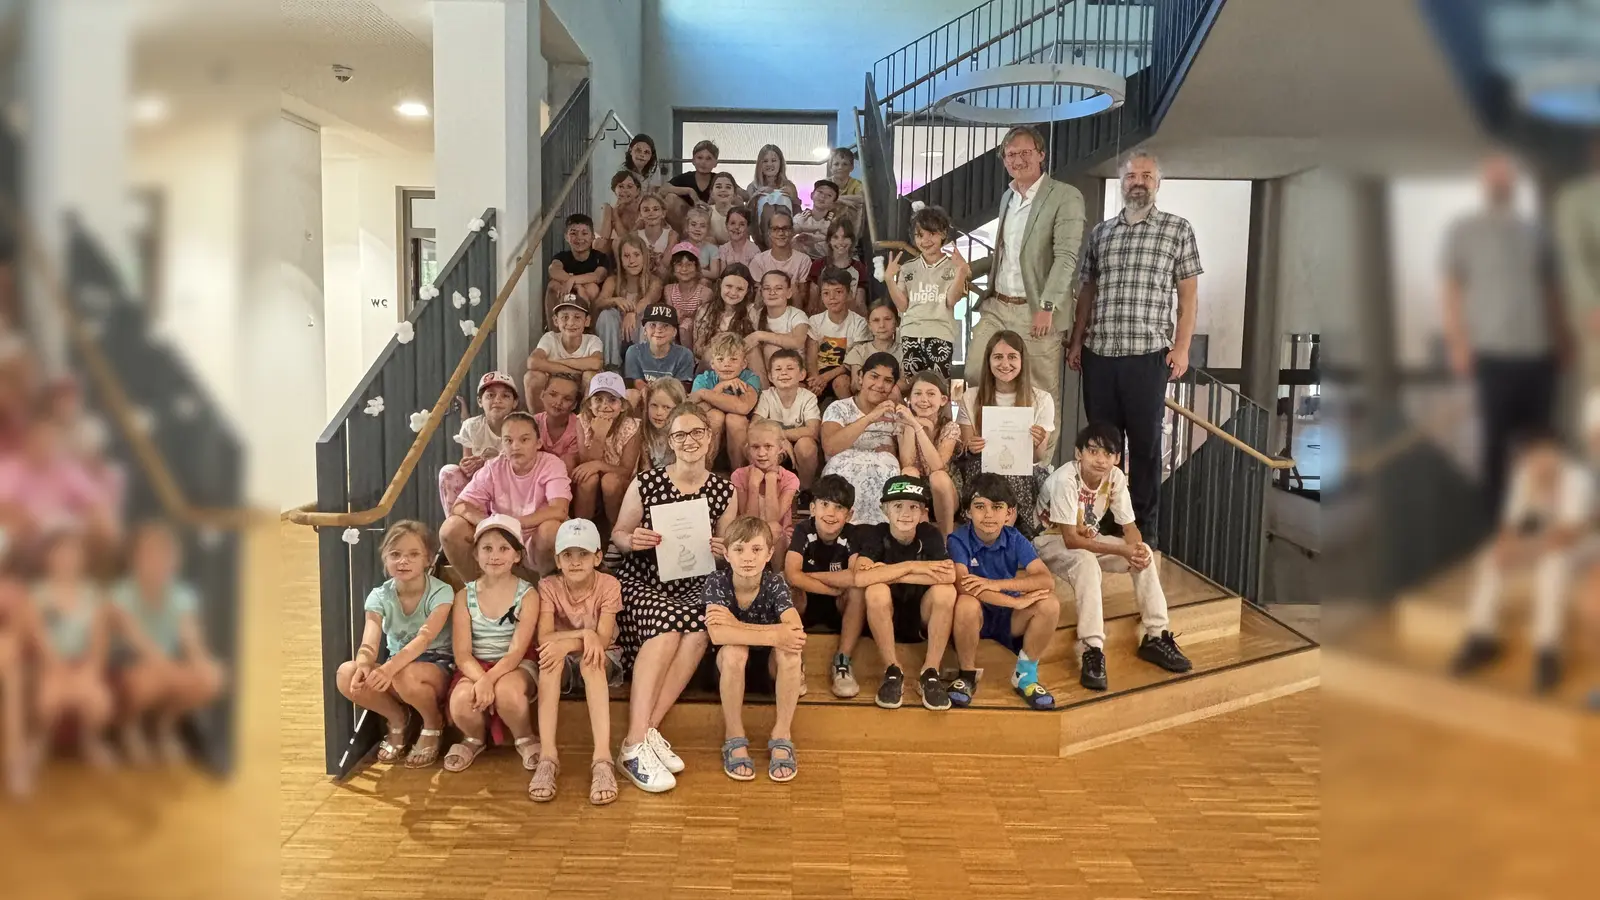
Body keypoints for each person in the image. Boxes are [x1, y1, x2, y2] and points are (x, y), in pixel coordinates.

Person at [1069, 150, 1200, 542]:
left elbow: (1189, 298)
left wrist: (1182, 347)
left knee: (1144, 445)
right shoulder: (1101, 233)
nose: (1138, 182)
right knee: (1102, 447)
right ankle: (1104, 521)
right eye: (1131, 176)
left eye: (1146, 175)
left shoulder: (1178, 229)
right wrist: (1077, 341)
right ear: (1122, 182)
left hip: (1147, 356)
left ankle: (1143, 527)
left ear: (1157, 184)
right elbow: (1087, 292)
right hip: (1100, 356)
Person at [611, 403, 738, 793]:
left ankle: (646, 733)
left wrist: (722, 549)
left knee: (700, 629)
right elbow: (618, 534)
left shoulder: (724, 490)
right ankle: (634, 742)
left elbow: (728, 550)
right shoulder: (646, 482)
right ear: (670, 441)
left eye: (696, 432)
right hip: (644, 580)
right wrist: (633, 541)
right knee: (667, 629)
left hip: (694, 581)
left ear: (709, 438)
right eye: (680, 435)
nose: (689, 441)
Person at [1441, 153, 1568, 517]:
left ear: (1514, 183)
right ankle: (1497, 524)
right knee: (1496, 444)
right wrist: (1458, 343)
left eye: (1505, 178)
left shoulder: (1536, 231)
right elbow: (1451, 289)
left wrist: (1562, 338)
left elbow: (1550, 290)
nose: (1500, 184)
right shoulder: (1463, 230)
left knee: (1542, 442)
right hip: (1492, 354)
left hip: (1538, 352)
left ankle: (1543, 516)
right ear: (1484, 184)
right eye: (1493, 178)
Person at [1033, 423, 1192, 690]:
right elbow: (1071, 540)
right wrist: (1122, 549)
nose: (1100, 459)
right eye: (1093, 451)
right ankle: (1092, 648)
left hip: (1086, 539)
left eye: (1108, 453)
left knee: (1144, 557)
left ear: (1117, 458)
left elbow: (1129, 527)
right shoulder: (1065, 480)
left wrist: (1137, 549)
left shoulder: (1115, 477)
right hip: (1049, 540)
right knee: (1086, 563)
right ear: (1078, 453)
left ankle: (1156, 636)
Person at [1452, 429, 1592, 693]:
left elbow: (1568, 535)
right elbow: (1510, 525)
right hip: (1543, 541)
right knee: (1490, 558)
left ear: (1558, 453)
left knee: (1554, 565)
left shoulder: (1578, 478)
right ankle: (1482, 637)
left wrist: (1525, 551)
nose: (1539, 462)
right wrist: (1505, 547)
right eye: (1532, 456)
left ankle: (1547, 650)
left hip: (1584, 543)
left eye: (1544, 454)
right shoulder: (1524, 476)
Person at [966, 124, 1085, 409]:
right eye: (1010, 154)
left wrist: (1046, 307)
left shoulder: (1065, 196)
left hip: (1036, 310)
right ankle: (988, 448)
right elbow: (1007, 255)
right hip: (997, 305)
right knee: (975, 373)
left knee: (1040, 394)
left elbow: (1066, 257)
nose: (1018, 160)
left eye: (1025, 152)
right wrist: (965, 270)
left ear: (1041, 154)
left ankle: (1039, 455)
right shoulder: (1008, 196)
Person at [333, 521, 454, 768]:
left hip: (436, 666)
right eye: (395, 554)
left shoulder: (442, 592)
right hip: (397, 670)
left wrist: (388, 669)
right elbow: (370, 638)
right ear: (385, 559)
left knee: (402, 673)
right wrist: (365, 664)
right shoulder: (379, 596)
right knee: (347, 673)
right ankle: (398, 719)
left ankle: (433, 723)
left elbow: (424, 638)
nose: (403, 561)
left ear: (428, 559)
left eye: (413, 554)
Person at [110, 521, 226, 766]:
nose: (158, 563)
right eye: (150, 555)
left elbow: (192, 641)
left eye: (165, 555)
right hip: (129, 668)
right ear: (135, 560)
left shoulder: (182, 597)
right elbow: (140, 644)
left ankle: (165, 726)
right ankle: (129, 728)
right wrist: (172, 671)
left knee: (212, 677)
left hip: (165, 667)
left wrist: (201, 665)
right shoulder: (121, 596)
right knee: (148, 681)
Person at [704, 517, 805, 783]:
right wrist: (774, 633)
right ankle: (734, 735)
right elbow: (718, 634)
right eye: (739, 549)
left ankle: (782, 734)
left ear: (770, 553)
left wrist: (737, 626)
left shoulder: (775, 584)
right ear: (726, 553)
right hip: (731, 669)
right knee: (735, 650)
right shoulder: (717, 581)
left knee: (790, 652)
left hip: (770, 668)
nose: (748, 558)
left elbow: (795, 632)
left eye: (756, 550)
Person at [946, 475, 1060, 709]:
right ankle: (967, 674)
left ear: (1009, 513)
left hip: (1007, 619)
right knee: (966, 603)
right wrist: (1013, 602)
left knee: (1050, 604)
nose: (988, 515)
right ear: (967, 512)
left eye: (997, 507)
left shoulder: (1015, 538)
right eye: (980, 507)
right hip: (975, 617)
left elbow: (1046, 580)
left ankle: (1025, 676)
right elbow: (963, 584)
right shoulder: (957, 539)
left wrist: (999, 585)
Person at [530, 519, 622, 805]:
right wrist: (583, 634)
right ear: (557, 559)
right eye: (567, 554)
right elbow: (545, 637)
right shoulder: (548, 585)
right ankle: (548, 757)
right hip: (564, 655)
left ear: (597, 557)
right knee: (548, 661)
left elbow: (603, 639)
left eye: (583, 554)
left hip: (602, 656)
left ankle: (602, 760)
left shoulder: (609, 584)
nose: (575, 561)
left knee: (591, 662)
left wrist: (577, 641)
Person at [443, 515, 541, 773]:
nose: (494, 555)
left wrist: (490, 679)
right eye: (487, 548)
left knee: (507, 693)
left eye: (503, 548)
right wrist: (480, 678)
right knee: (461, 700)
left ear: (517, 556)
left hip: (515, 664)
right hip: (475, 664)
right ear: (475, 554)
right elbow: (462, 654)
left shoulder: (528, 594)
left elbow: (517, 651)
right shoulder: (464, 595)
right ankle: (474, 738)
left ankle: (525, 736)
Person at [853, 475, 958, 710]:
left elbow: (949, 576)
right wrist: (913, 566)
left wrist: (887, 571)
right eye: (898, 506)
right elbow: (861, 577)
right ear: (884, 509)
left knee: (946, 592)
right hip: (886, 616)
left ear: (923, 511)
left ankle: (930, 672)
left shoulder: (928, 534)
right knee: (875, 591)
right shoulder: (876, 533)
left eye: (913, 507)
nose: (906, 513)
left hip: (921, 615)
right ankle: (893, 670)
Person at [441, 412, 572, 578]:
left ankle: (545, 587)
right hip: (499, 535)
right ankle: (475, 588)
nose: (515, 446)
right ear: (502, 444)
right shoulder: (493, 467)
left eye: (524, 440)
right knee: (451, 528)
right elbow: (460, 506)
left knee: (551, 530)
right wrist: (490, 523)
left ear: (538, 443)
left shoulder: (552, 464)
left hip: (534, 538)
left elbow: (559, 510)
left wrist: (514, 524)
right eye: (508, 441)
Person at [955, 330, 1054, 540]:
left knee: (1011, 475)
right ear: (988, 361)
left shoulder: (1042, 399)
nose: (1005, 364)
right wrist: (972, 446)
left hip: (1022, 471)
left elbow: (1038, 458)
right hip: (981, 468)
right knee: (990, 475)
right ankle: (997, 532)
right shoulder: (971, 396)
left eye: (1012, 357)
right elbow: (965, 448)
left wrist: (1037, 442)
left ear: (1022, 360)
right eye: (998, 357)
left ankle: (1009, 534)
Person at [28, 530, 114, 769]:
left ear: (83, 559)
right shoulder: (38, 595)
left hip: (84, 663)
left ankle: (90, 740)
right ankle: (40, 740)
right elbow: (40, 639)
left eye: (73, 554)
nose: (67, 560)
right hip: (51, 665)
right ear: (49, 559)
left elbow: (100, 639)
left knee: (99, 703)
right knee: (49, 700)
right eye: (61, 554)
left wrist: (91, 669)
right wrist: (57, 668)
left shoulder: (94, 595)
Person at [785, 474, 867, 698]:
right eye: (824, 504)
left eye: (839, 507)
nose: (830, 513)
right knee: (788, 587)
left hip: (840, 608)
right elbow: (792, 574)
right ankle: (794, 661)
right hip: (806, 604)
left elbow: (854, 577)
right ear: (812, 508)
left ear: (849, 514)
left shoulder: (853, 534)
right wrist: (831, 587)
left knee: (859, 591)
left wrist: (809, 576)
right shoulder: (804, 530)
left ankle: (842, 662)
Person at [821, 352, 907, 525]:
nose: (880, 385)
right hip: (843, 472)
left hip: (883, 472)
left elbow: (906, 460)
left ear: (893, 387)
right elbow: (830, 447)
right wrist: (870, 417)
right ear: (860, 377)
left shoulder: (897, 414)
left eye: (888, 381)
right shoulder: (839, 408)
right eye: (873, 377)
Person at [888, 205, 969, 382]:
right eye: (919, 235)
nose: (925, 240)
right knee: (912, 385)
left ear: (943, 234)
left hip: (940, 332)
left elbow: (950, 301)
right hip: (910, 333)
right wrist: (888, 279)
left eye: (931, 234)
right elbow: (902, 306)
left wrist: (962, 270)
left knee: (938, 386)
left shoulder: (953, 266)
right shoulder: (908, 267)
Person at [439, 371, 519, 514]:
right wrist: (467, 466)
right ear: (480, 401)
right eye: (490, 395)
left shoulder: (521, 427)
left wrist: (490, 463)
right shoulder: (472, 426)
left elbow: (522, 468)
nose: (497, 400)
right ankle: (456, 521)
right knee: (449, 471)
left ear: (515, 403)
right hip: (479, 486)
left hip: (511, 489)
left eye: (505, 396)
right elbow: (467, 463)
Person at [572, 372, 642, 527]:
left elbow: (626, 470)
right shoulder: (583, 420)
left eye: (612, 400)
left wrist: (598, 465)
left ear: (622, 405)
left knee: (609, 481)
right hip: (593, 482)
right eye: (598, 399)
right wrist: (598, 436)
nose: (605, 405)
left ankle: (616, 530)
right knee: (587, 479)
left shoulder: (631, 427)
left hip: (619, 483)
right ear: (589, 403)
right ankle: (581, 529)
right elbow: (586, 464)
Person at [899, 371, 962, 535]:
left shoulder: (951, 427)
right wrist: (911, 425)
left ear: (943, 400)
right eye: (917, 394)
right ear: (909, 399)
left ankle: (947, 540)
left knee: (938, 477)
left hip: (945, 493)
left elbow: (936, 467)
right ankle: (914, 539)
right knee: (908, 472)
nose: (923, 400)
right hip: (918, 493)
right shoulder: (903, 425)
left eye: (931, 394)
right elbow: (907, 463)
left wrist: (917, 427)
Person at [690, 331, 761, 468]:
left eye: (733, 359)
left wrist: (704, 394)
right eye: (720, 359)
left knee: (735, 419)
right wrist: (719, 388)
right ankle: (703, 473)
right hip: (710, 432)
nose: (726, 364)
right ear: (712, 364)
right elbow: (694, 411)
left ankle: (739, 475)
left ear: (744, 363)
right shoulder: (703, 378)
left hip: (741, 435)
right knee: (715, 416)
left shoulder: (750, 378)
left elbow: (743, 407)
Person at [753, 348, 822, 488]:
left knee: (806, 445)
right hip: (773, 446)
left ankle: (804, 491)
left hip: (797, 448)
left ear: (802, 374)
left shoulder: (808, 397)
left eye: (790, 368)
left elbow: (813, 430)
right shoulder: (767, 396)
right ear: (770, 377)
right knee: (753, 445)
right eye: (778, 369)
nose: (783, 372)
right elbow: (754, 427)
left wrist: (781, 435)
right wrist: (780, 441)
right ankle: (762, 487)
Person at [733, 419, 801, 553]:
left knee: (774, 528)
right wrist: (753, 484)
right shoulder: (739, 475)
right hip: (748, 533)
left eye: (768, 446)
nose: (761, 453)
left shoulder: (790, 479)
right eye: (755, 447)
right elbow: (748, 520)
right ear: (748, 448)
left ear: (781, 448)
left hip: (780, 539)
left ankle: (778, 573)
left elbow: (773, 519)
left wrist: (770, 481)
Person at [524, 294, 603, 410]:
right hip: (554, 389)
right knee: (531, 376)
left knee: (591, 375)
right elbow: (532, 362)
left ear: (587, 321)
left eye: (577, 317)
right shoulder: (550, 337)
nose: (570, 323)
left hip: (580, 391)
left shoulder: (592, 340)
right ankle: (539, 422)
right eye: (565, 317)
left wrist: (554, 364)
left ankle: (584, 420)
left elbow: (596, 363)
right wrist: (575, 370)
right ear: (556, 321)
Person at [596, 234, 662, 368]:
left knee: (647, 317)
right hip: (617, 335)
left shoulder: (654, 281)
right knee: (606, 315)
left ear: (644, 256)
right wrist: (615, 300)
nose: (631, 261)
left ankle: (643, 369)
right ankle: (611, 366)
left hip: (639, 334)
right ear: (620, 259)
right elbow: (599, 302)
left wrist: (632, 313)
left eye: (636, 255)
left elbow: (647, 300)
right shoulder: (613, 280)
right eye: (626, 256)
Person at [807, 269, 871, 402]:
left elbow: (855, 358)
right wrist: (815, 379)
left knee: (841, 383)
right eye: (826, 293)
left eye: (838, 292)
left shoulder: (859, 323)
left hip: (843, 372)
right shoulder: (815, 321)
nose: (832, 298)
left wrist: (826, 378)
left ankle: (853, 416)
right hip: (819, 374)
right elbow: (811, 357)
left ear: (849, 294)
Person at [544, 214, 612, 327]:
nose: (579, 238)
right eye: (573, 233)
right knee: (552, 285)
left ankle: (591, 331)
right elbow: (553, 270)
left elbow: (598, 276)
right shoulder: (562, 257)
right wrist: (577, 286)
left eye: (584, 233)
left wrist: (573, 280)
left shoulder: (600, 257)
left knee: (592, 288)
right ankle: (554, 332)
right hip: (566, 299)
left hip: (590, 303)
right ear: (566, 236)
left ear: (592, 237)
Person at [746, 269, 811, 383]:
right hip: (763, 373)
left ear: (789, 293)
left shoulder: (797, 315)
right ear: (761, 292)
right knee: (751, 350)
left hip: (791, 374)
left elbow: (797, 341)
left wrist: (760, 335)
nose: (772, 292)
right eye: (767, 288)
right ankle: (764, 393)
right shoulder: (754, 313)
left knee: (772, 349)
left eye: (778, 288)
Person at [623, 304, 696, 404]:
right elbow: (636, 381)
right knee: (631, 394)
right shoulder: (634, 351)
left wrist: (658, 396)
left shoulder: (685, 355)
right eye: (653, 325)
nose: (658, 330)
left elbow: (681, 388)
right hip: (644, 398)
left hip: (671, 400)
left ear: (674, 332)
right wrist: (649, 393)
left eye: (665, 325)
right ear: (645, 330)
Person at [694, 264, 758, 373]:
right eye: (729, 286)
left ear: (747, 291)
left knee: (754, 352)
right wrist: (722, 347)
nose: (733, 293)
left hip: (740, 364)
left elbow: (755, 344)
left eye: (740, 289)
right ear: (720, 285)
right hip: (713, 364)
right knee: (711, 351)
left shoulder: (752, 312)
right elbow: (697, 349)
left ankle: (762, 389)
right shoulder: (705, 310)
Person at [807, 221, 870, 314]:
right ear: (829, 240)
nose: (840, 242)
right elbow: (812, 303)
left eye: (845, 237)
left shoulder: (859, 268)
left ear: (852, 240)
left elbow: (860, 303)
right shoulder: (818, 265)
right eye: (836, 237)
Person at [663, 242, 711, 357]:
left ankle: (689, 360)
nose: (684, 269)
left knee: (686, 324)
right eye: (679, 264)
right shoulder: (668, 290)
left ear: (697, 267)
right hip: (674, 335)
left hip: (697, 338)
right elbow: (669, 317)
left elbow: (704, 322)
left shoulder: (705, 292)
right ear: (673, 268)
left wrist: (688, 317)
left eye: (689, 264)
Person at [847, 301, 904, 396]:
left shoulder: (905, 352)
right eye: (876, 320)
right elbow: (855, 384)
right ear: (869, 325)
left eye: (887, 319)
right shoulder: (859, 351)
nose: (882, 325)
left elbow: (906, 382)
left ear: (897, 322)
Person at [663, 139, 722, 231]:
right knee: (671, 198)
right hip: (686, 224)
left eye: (708, 158)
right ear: (693, 160)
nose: (703, 162)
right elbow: (663, 189)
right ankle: (681, 238)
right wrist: (689, 191)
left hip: (710, 226)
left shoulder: (719, 179)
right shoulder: (685, 178)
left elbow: (744, 195)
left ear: (715, 163)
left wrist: (718, 199)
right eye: (699, 158)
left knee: (737, 201)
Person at [750, 209, 813, 294]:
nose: (780, 233)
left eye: (785, 228)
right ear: (769, 232)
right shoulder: (758, 261)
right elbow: (759, 297)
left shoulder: (803, 261)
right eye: (775, 229)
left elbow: (802, 296)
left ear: (792, 231)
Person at [746, 144, 801, 241]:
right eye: (765, 161)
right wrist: (755, 197)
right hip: (761, 241)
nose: (769, 164)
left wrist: (793, 198)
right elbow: (748, 219)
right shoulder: (752, 187)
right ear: (760, 164)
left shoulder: (789, 186)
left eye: (774, 160)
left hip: (785, 239)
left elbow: (798, 217)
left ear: (780, 163)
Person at [533, 373, 582, 475]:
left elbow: (568, 465)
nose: (558, 402)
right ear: (542, 395)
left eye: (567, 399)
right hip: (535, 479)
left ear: (574, 405)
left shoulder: (579, 427)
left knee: (568, 460)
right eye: (553, 394)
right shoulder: (533, 423)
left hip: (564, 480)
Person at [639, 377, 688, 470]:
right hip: (653, 480)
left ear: (679, 409)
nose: (659, 413)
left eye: (666, 407)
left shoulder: (685, 436)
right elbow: (646, 469)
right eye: (654, 405)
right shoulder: (645, 433)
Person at [596, 170, 643, 256]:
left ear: (637, 191)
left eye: (629, 186)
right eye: (621, 186)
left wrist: (616, 216)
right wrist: (608, 211)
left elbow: (629, 241)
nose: (625, 190)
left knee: (617, 243)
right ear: (614, 190)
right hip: (620, 253)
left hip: (640, 251)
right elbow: (601, 243)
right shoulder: (611, 210)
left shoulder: (643, 210)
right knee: (597, 244)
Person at [633, 194, 677, 280]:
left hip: (662, 279)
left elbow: (664, 266)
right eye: (646, 210)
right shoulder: (636, 235)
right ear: (640, 214)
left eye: (656, 209)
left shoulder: (671, 235)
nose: (651, 213)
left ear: (663, 213)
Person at [793, 179, 840, 259]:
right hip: (799, 260)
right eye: (820, 192)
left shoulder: (836, 223)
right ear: (812, 195)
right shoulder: (800, 218)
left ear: (833, 204)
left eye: (829, 195)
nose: (823, 196)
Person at [681, 206, 722, 279]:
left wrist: (693, 271)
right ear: (687, 227)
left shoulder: (712, 249)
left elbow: (715, 274)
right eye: (693, 224)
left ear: (708, 229)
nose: (697, 229)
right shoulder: (680, 247)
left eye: (702, 226)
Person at [718, 206, 760, 271]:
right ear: (726, 225)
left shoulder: (754, 251)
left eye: (742, 224)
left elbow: (754, 277)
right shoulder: (723, 250)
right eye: (732, 223)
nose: (737, 227)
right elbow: (722, 275)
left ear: (748, 227)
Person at [708, 172, 741, 244]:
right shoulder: (707, 212)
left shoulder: (740, 214)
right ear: (711, 193)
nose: (723, 190)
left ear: (734, 194)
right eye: (718, 187)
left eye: (728, 187)